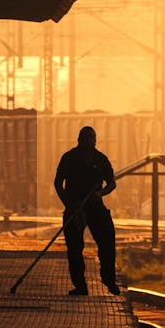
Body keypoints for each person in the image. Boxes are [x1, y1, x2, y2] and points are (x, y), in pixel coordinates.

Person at [54, 125, 120, 296]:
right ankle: (80, 286)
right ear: (79, 140)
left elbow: (111, 183)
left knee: (107, 240)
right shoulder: (69, 158)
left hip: (95, 207)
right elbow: (57, 183)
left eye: (92, 139)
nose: (89, 142)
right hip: (74, 207)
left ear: (95, 141)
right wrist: (69, 205)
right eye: (86, 139)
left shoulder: (101, 160)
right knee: (74, 249)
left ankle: (108, 279)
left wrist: (100, 193)